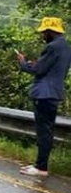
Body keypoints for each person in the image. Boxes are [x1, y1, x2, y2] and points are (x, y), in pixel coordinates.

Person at [16, 17, 71, 177]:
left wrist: (23, 63)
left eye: (44, 32)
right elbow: (50, 68)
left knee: (43, 131)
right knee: (47, 130)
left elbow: (39, 70)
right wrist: (37, 63)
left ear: (51, 31)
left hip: (44, 94)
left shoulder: (52, 47)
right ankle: (40, 165)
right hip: (54, 92)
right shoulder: (66, 47)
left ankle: (41, 167)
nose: (42, 35)